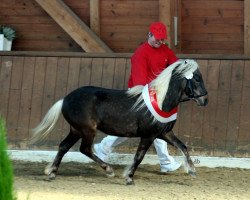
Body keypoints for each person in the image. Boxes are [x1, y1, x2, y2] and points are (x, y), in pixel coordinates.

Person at [94, 22, 181, 173]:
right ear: (149, 35)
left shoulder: (166, 50)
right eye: (157, 39)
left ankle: (103, 147)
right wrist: (154, 97)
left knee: (154, 129)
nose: (160, 42)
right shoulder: (141, 53)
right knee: (144, 129)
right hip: (141, 94)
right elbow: (140, 83)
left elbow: (176, 66)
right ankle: (166, 163)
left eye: (162, 39)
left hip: (157, 96)